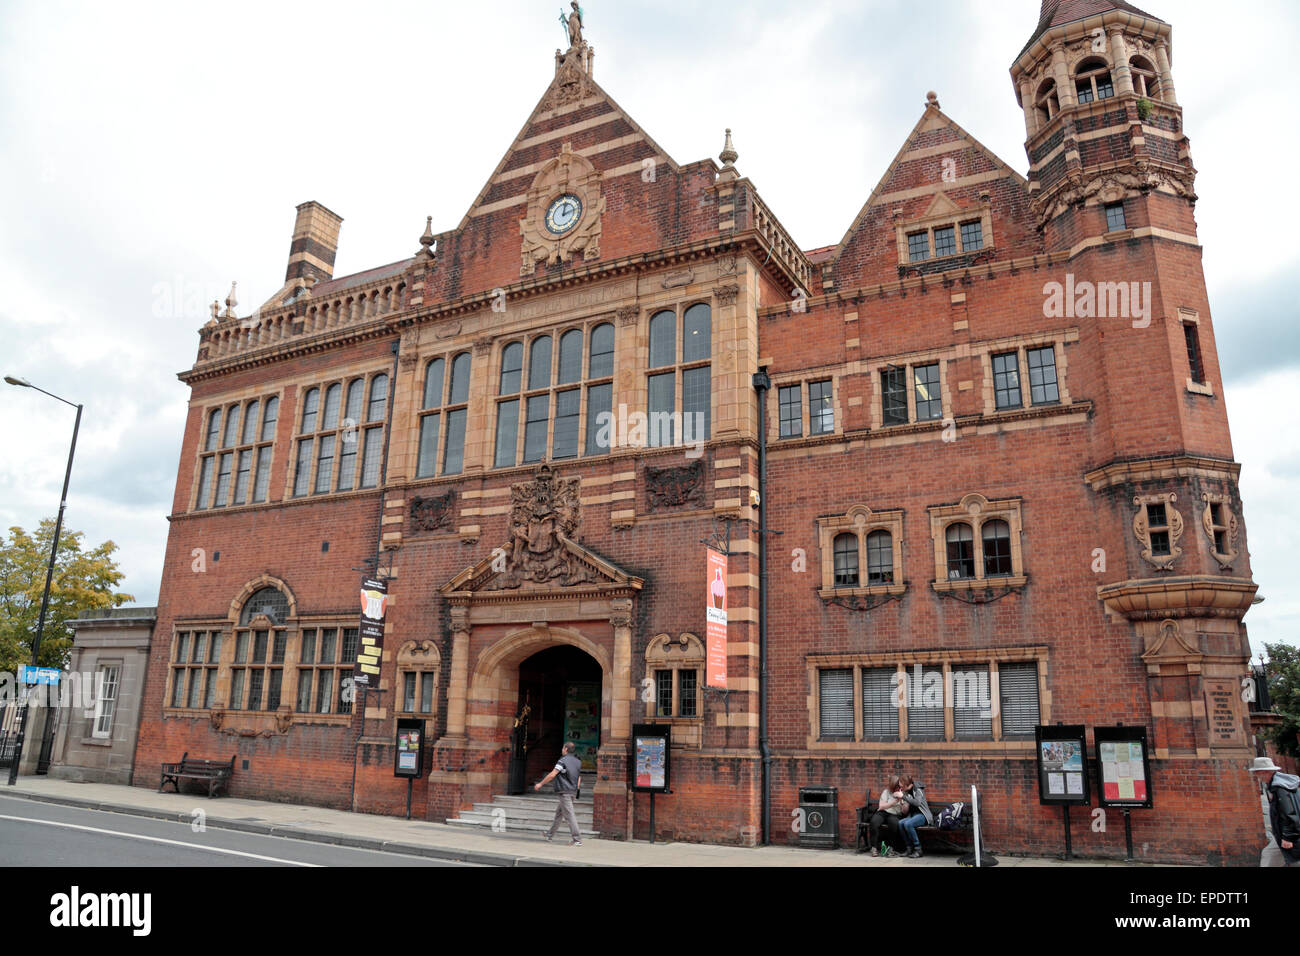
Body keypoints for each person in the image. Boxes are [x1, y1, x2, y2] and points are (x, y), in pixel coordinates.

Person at [1250, 756, 1300, 866]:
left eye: (1257, 772)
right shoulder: (1277, 784)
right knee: (1273, 856)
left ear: (1265, 772)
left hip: (1289, 834)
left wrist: (1288, 837)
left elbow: (1289, 813)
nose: (1256, 776)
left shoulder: (1279, 788)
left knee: (1277, 857)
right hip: (1285, 833)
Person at [535, 741, 584, 845]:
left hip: (564, 792)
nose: (562, 750)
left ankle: (577, 839)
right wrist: (577, 790)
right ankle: (549, 834)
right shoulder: (577, 761)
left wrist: (540, 784)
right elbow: (579, 777)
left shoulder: (562, 761)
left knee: (569, 815)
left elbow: (553, 774)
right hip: (572, 791)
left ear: (565, 749)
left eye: (562, 748)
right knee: (559, 814)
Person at [866, 775, 908, 857]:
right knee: (874, 822)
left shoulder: (904, 794)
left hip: (895, 814)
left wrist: (902, 801)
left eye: (896, 787)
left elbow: (905, 812)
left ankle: (890, 848)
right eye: (892, 788)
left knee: (894, 824)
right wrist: (895, 801)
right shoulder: (886, 792)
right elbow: (881, 806)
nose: (894, 790)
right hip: (883, 812)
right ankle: (874, 847)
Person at [895, 773, 934, 859]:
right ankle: (909, 848)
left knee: (908, 824)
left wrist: (903, 797)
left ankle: (918, 849)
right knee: (901, 823)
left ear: (906, 784)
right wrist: (902, 802)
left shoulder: (917, 789)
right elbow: (905, 812)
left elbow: (917, 802)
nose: (900, 786)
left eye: (901, 784)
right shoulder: (906, 792)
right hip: (913, 815)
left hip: (923, 815)